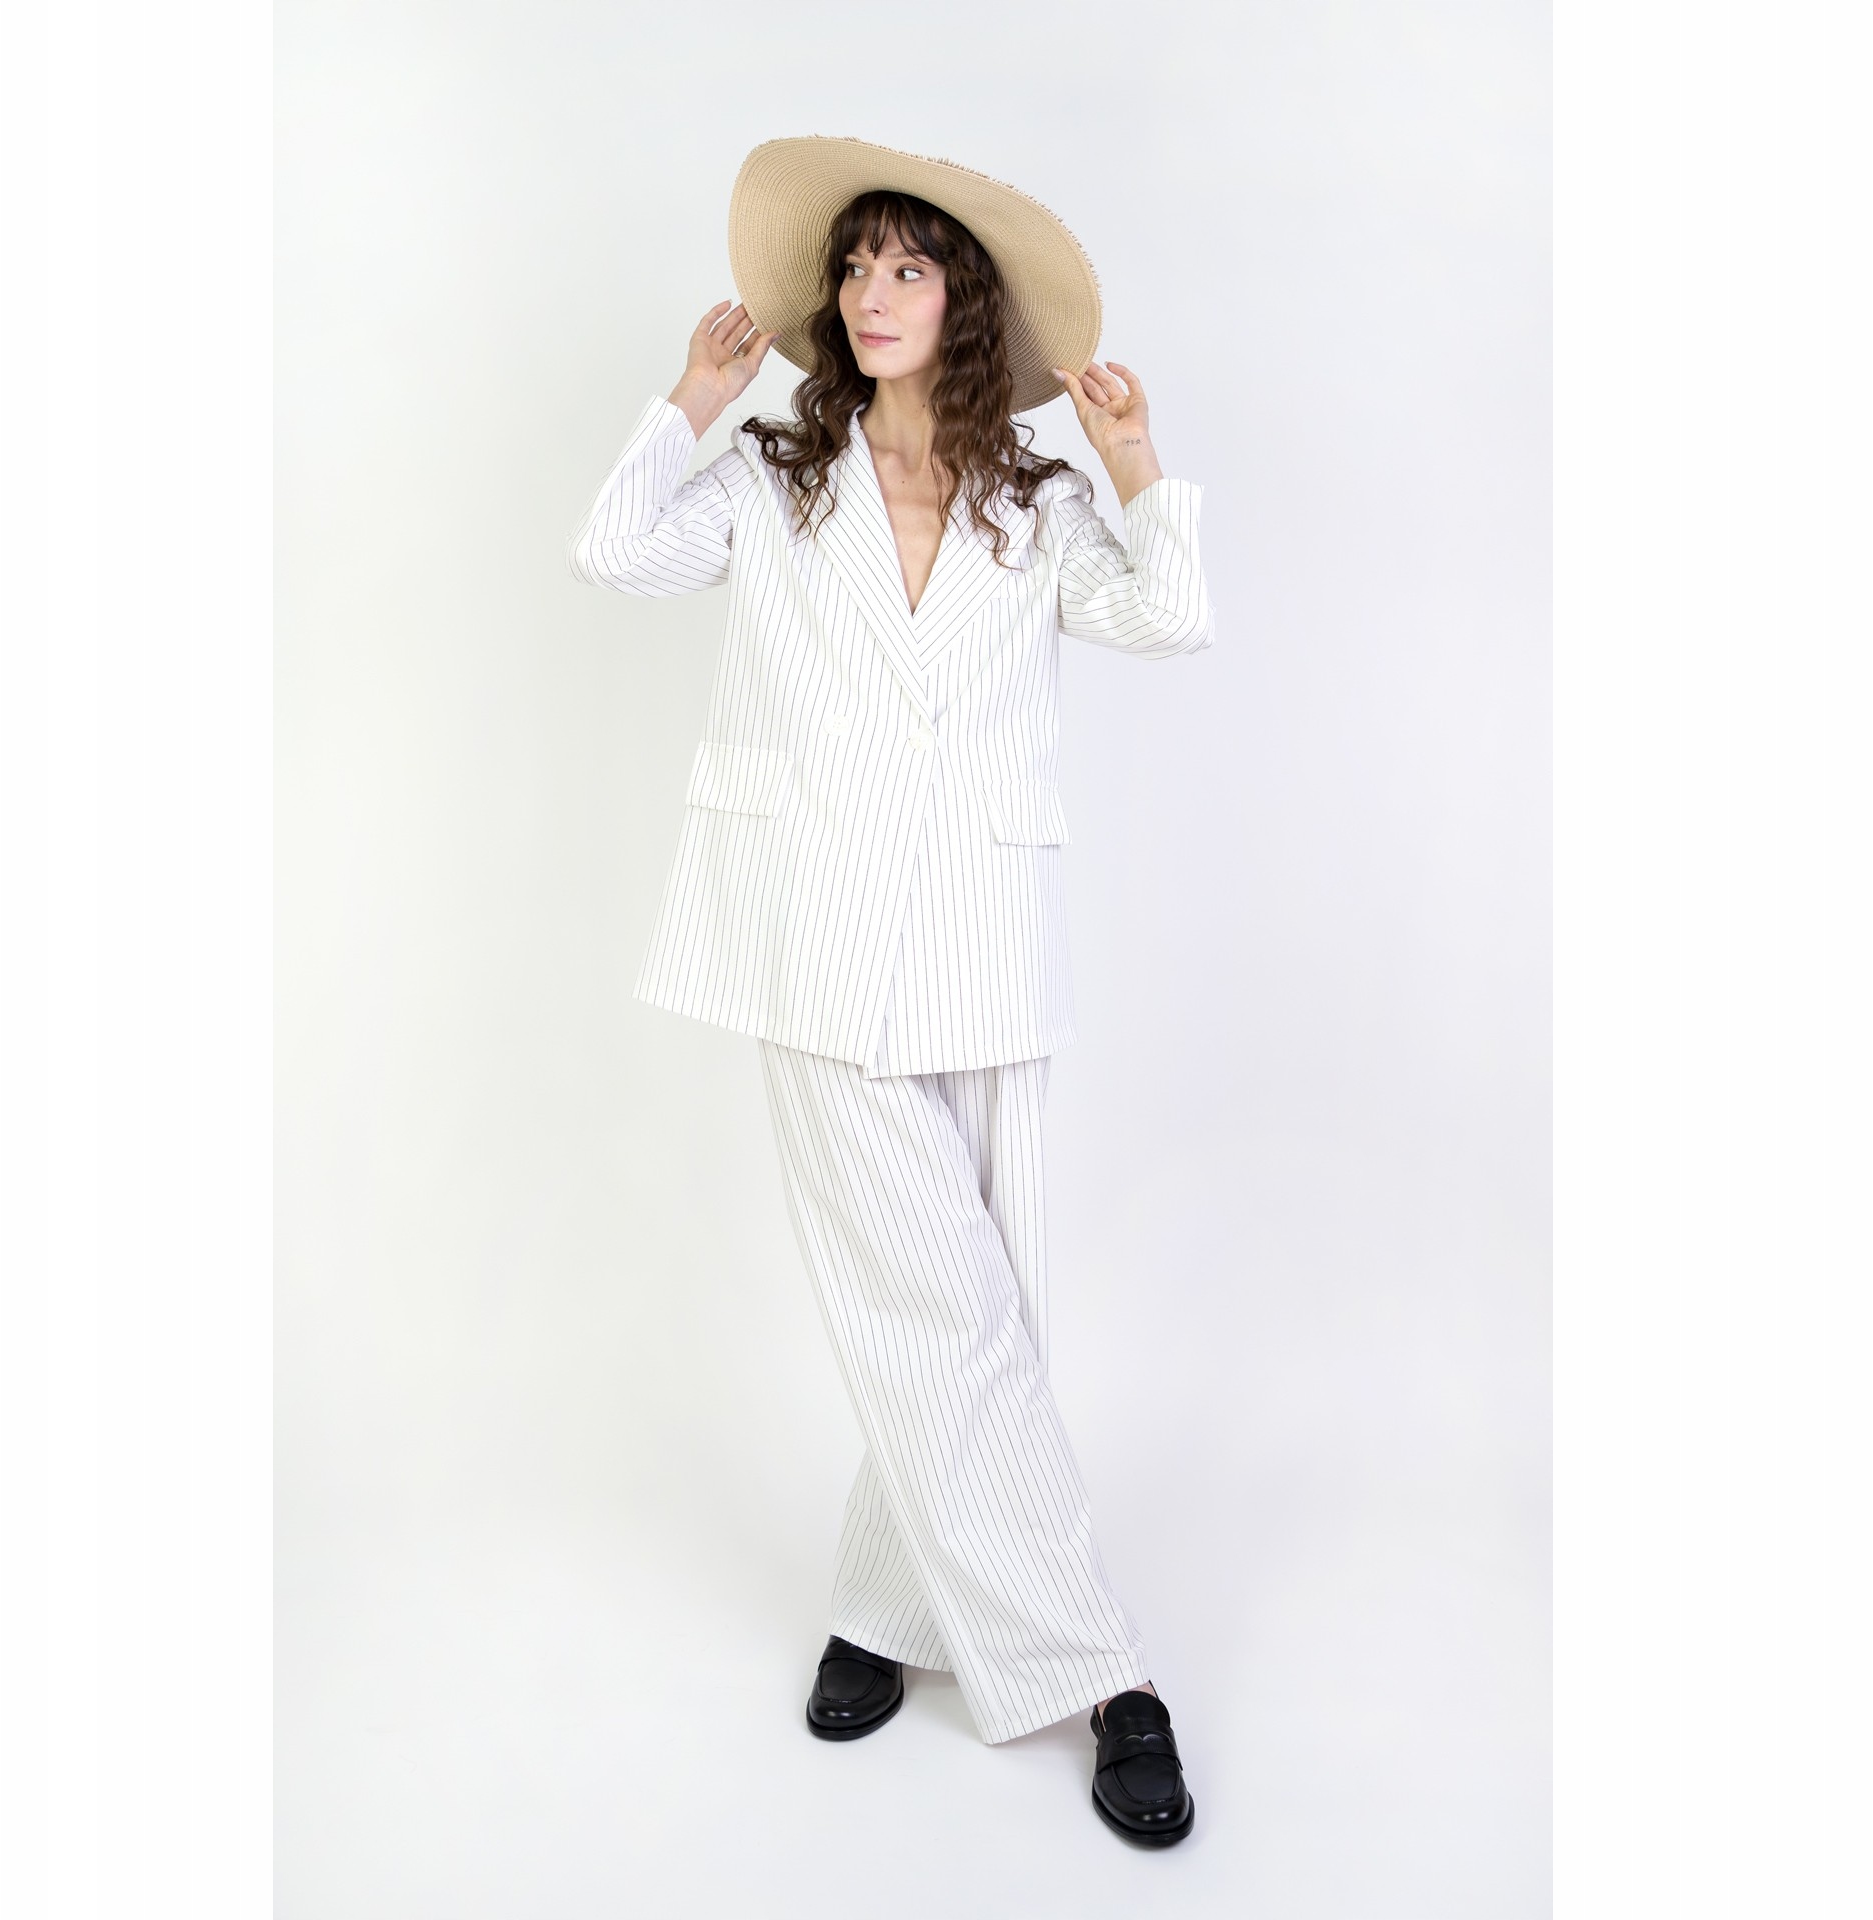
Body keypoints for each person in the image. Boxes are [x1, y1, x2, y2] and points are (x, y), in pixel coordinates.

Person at [567, 136, 1213, 1846]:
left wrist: (1136, 466)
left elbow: (1173, 619)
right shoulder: (775, 479)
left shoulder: (1037, 498)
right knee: (945, 1311)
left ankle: (885, 1600)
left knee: (984, 1302)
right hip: (815, 939)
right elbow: (611, 549)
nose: (870, 293)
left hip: (990, 942)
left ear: (963, 302)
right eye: (856, 266)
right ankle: (1105, 1675)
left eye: (908, 267)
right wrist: (690, 401)